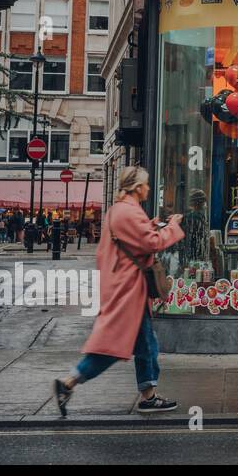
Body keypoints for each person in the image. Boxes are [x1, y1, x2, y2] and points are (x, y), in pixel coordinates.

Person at [53, 167, 185, 417]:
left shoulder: (121, 210)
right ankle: (69, 382)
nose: (148, 188)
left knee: (146, 344)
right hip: (128, 291)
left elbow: (135, 237)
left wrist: (153, 224)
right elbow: (152, 243)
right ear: (137, 188)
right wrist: (172, 227)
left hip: (127, 288)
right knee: (112, 348)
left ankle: (148, 395)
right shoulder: (127, 212)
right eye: (146, 184)